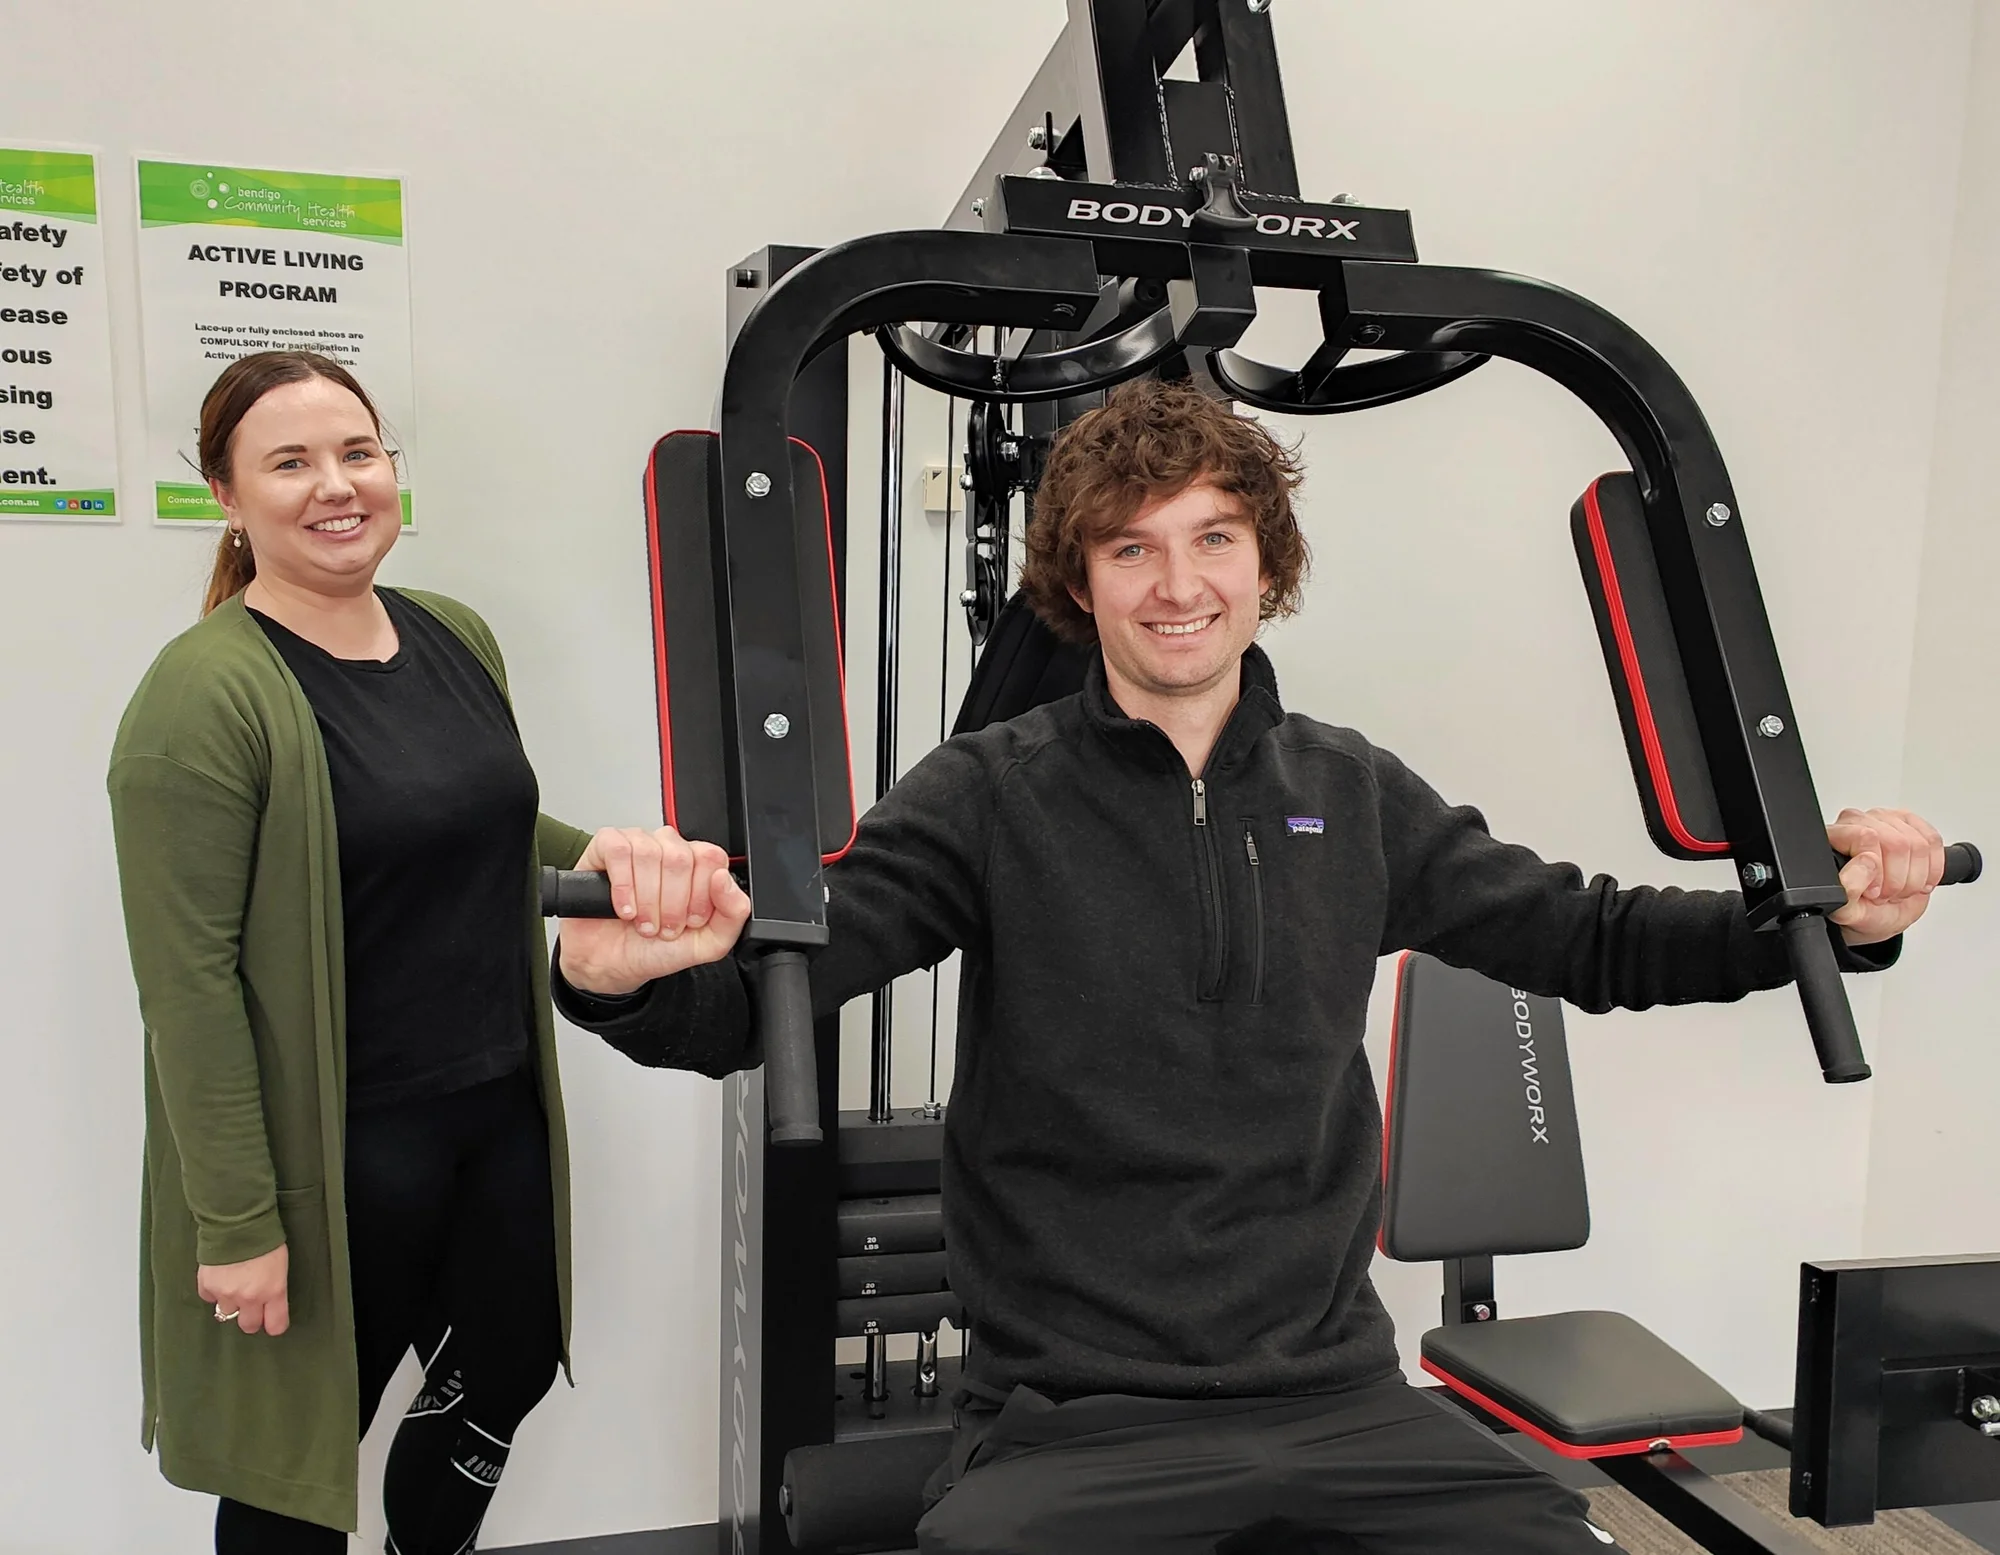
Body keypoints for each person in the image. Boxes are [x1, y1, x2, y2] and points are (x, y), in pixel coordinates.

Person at [548, 381, 1948, 1555]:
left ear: (1266, 566)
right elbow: (771, 992)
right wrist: (622, 977)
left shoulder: (1353, 788)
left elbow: (1591, 935)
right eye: (1132, 549)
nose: (1178, 584)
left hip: (1338, 1392)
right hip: (1073, 1412)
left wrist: (1829, 917)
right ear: (1076, 581)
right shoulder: (990, 794)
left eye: (1214, 538)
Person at [107, 351, 706, 1554]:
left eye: (358, 452)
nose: (336, 485)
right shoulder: (199, 698)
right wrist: (236, 1225)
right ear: (227, 495)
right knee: (294, 1467)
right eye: (289, 462)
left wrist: (633, 862)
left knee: (508, 1368)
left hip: (492, 1110)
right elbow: (188, 989)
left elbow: (480, 826)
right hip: (338, 1152)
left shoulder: (452, 634)